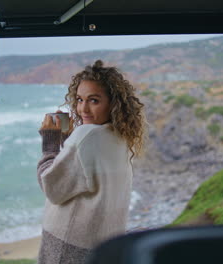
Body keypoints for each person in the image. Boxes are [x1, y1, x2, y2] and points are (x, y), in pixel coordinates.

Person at [36, 60, 147, 264]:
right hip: (104, 244)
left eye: (94, 101)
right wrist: (69, 143)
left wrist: (50, 145)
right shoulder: (121, 137)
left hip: (67, 245)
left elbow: (52, 186)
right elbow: (85, 174)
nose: (82, 109)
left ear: (113, 103)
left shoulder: (85, 136)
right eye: (79, 99)